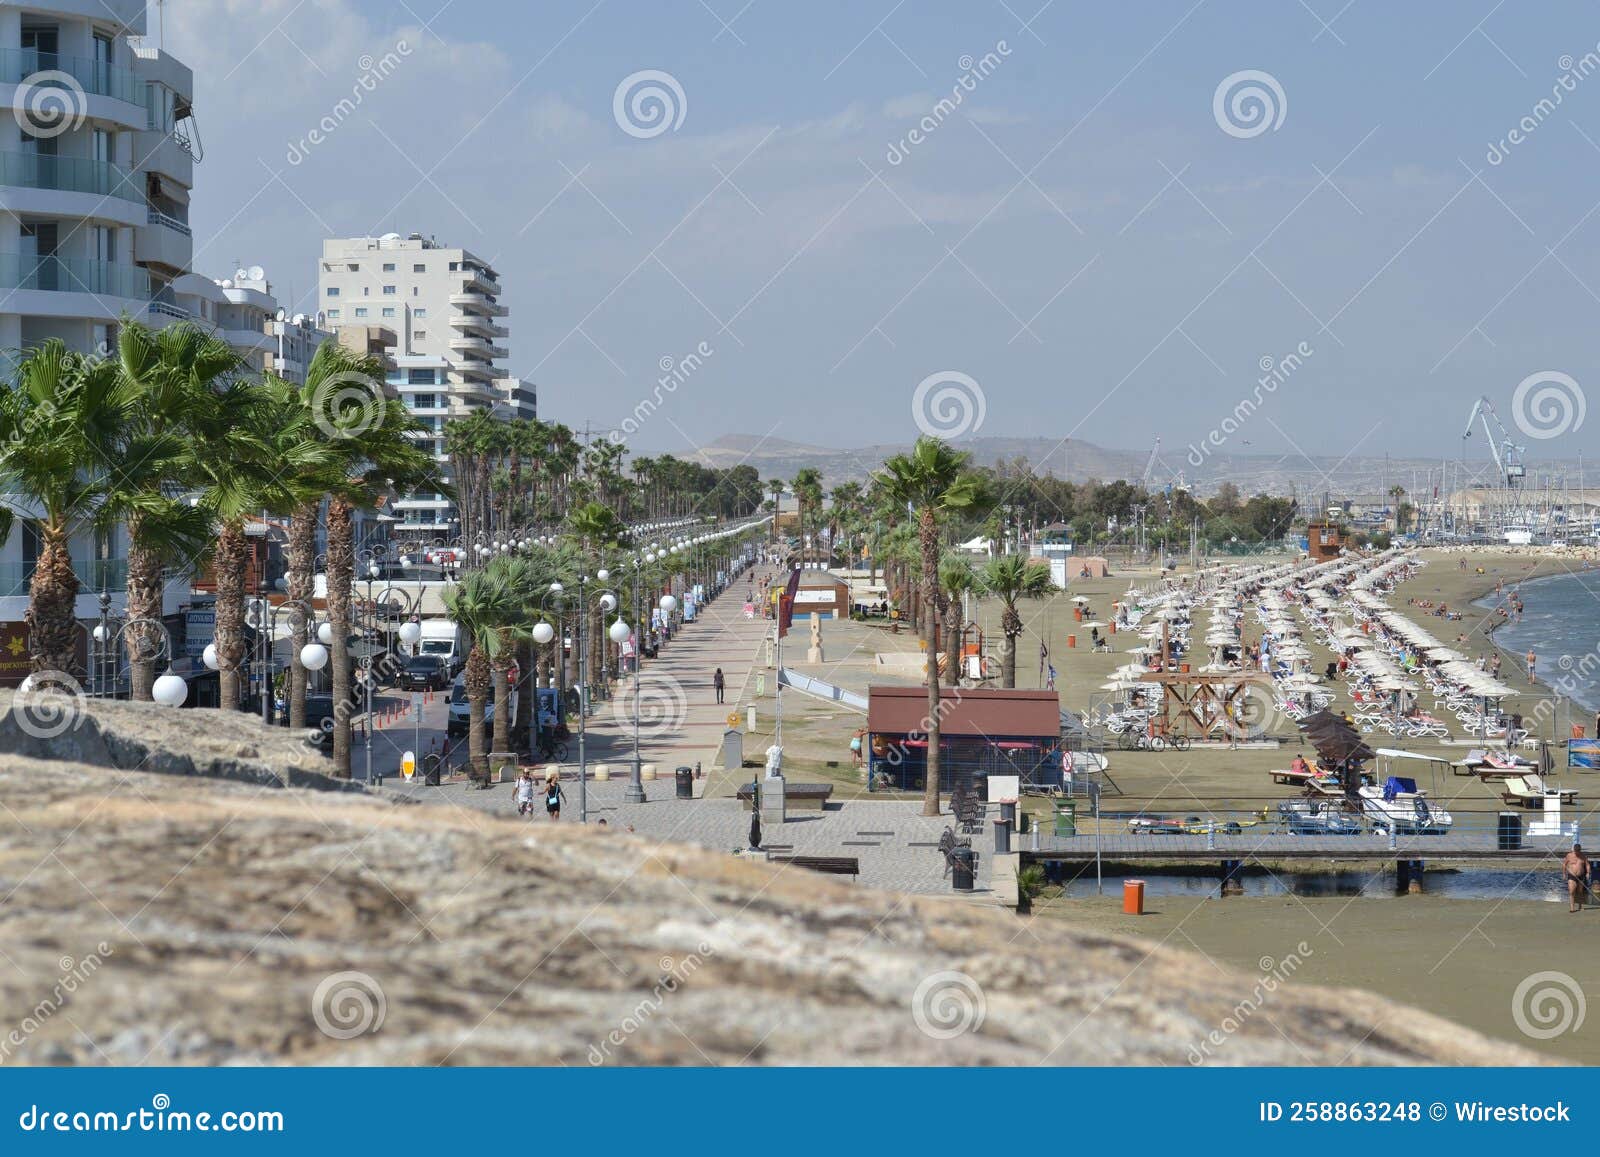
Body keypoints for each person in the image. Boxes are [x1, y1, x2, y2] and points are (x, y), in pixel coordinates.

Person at [1565, 843, 1591, 913]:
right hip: (1571, 875)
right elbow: (1564, 864)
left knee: (1580, 891)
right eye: (1576, 851)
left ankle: (1580, 906)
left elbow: (1587, 865)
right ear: (1574, 850)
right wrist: (1564, 873)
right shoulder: (1569, 855)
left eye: (1578, 851)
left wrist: (1588, 873)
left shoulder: (1583, 856)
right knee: (1571, 891)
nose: (1577, 853)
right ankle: (1572, 908)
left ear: (1580, 850)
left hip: (1581, 876)